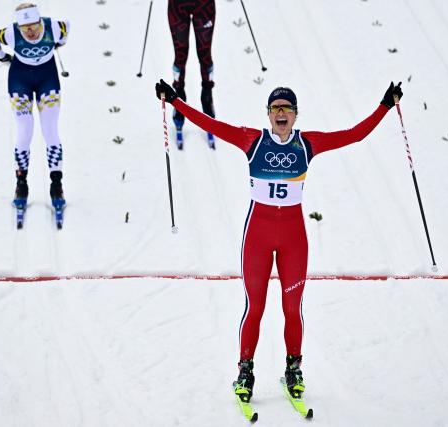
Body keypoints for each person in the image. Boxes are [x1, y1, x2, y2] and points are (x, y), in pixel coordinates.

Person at [154, 78, 403, 402]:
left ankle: (293, 369)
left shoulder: (307, 144)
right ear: (268, 114)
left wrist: (385, 106)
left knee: (292, 307)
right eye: (275, 108)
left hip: (293, 240)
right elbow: (210, 123)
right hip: (257, 236)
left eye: (286, 109)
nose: (281, 114)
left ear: (296, 115)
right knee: (254, 307)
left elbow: (353, 135)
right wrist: (175, 102)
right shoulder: (252, 141)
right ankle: (245, 372)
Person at [0, 3, 69, 209]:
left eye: (34, 26)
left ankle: (56, 185)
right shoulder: (11, 34)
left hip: (47, 79)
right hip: (19, 80)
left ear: (40, 21)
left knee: (50, 130)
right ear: (19, 27)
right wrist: (2, 57)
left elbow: (66, 28)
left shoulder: (54, 27)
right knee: (25, 130)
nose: (30, 32)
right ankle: (21, 184)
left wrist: (60, 43)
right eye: (25, 29)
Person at [167, 0, 216, 149]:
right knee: (180, 56)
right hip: (178, 6)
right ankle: (179, 98)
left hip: (204, 5)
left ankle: (207, 100)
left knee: (205, 55)